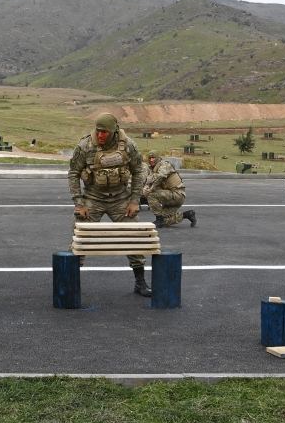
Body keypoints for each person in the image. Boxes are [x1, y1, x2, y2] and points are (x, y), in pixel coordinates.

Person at [68, 112, 149, 296]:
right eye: (98, 131)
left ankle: (140, 282)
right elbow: (73, 173)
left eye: (104, 132)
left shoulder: (128, 146)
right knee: (79, 239)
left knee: (133, 237)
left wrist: (134, 200)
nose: (100, 135)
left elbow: (138, 171)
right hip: (93, 198)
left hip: (121, 198)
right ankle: (70, 282)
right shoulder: (85, 146)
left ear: (114, 131)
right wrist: (79, 203)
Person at [143, 151, 196, 229]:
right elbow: (148, 181)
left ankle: (159, 219)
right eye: (150, 158)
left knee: (152, 195)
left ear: (157, 158)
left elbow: (160, 177)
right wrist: (145, 189)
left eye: (153, 158)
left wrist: (150, 189)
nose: (151, 160)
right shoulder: (152, 170)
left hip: (177, 194)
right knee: (166, 220)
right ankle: (187, 214)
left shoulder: (164, 165)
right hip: (171, 196)